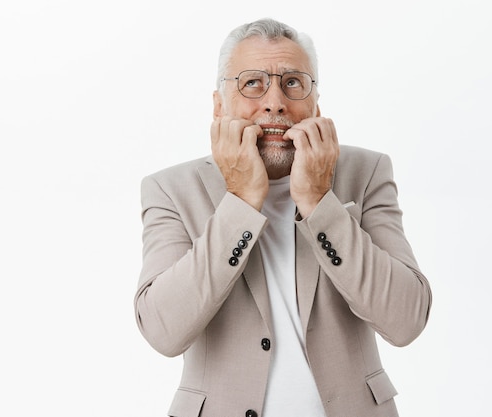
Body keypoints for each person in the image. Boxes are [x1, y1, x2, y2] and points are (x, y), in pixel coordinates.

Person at [134, 17, 432, 417]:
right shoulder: (171, 188)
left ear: (315, 105)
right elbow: (163, 331)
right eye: (252, 82)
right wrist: (240, 201)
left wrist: (319, 201)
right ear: (219, 106)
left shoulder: (367, 172)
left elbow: (406, 320)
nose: (274, 101)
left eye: (293, 82)